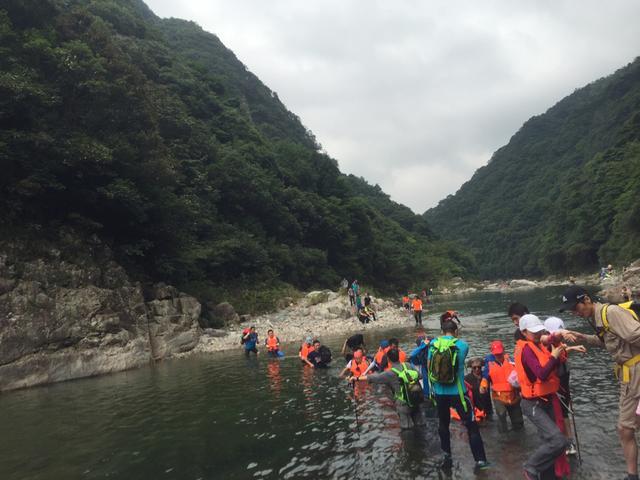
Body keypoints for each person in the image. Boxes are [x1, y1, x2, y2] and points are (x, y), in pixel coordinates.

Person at [560, 285, 640, 480]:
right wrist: (583, 337)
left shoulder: (611, 312)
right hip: (627, 373)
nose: (575, 313)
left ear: (586, 299)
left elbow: (635, 334)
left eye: (576, 308)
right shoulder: (598, 317)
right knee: (627, 427)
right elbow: (609, 341)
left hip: (636, 372)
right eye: (571, 310)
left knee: (627, 426)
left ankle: (632, 475)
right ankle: (632, 475)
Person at [428, 320, 490, 471]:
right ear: (456, 331)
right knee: (472, 426)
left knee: (443, 424)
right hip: (459, 393)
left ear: (442, 331)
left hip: (440, 394)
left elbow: (430, 366)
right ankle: (480, 461)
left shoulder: (433, 345)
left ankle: (447, 454)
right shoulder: (463, 345)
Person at [515, 314, 570, 480]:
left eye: (539, 331)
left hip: (547, 399)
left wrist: (558, 338)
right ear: (524, 332)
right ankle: (531, 467)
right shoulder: (526, 350)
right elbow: (542, 374)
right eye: (534, 332)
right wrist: (553, 356)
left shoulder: (538, 343)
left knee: (551, 443)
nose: (538, 335)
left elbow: (548, 340)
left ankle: (548, 476)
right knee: (558, 441)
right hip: (533, 403)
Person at [353, 348, 426, 429]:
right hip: (416, 399)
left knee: (407, 429)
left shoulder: (389, 373)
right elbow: (420, 375)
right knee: (421, 425)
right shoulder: (407, 365)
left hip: (403, 404)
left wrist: (357, 378)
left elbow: (374, 378)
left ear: (388, 359)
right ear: (398, 357)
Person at [482, 340, 524, 433]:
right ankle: (504, 439)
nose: (499, 356)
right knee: (501, 415)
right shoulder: (489, 364)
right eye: (496, 354)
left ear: (504, 351)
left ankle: (520, 440)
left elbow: (520, 373)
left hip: (514, 395)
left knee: (518, 421)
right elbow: (485, 376)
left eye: (500, 353)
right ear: (492, 353)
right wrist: (484, 384)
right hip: (499, 396)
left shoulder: (511, 361)